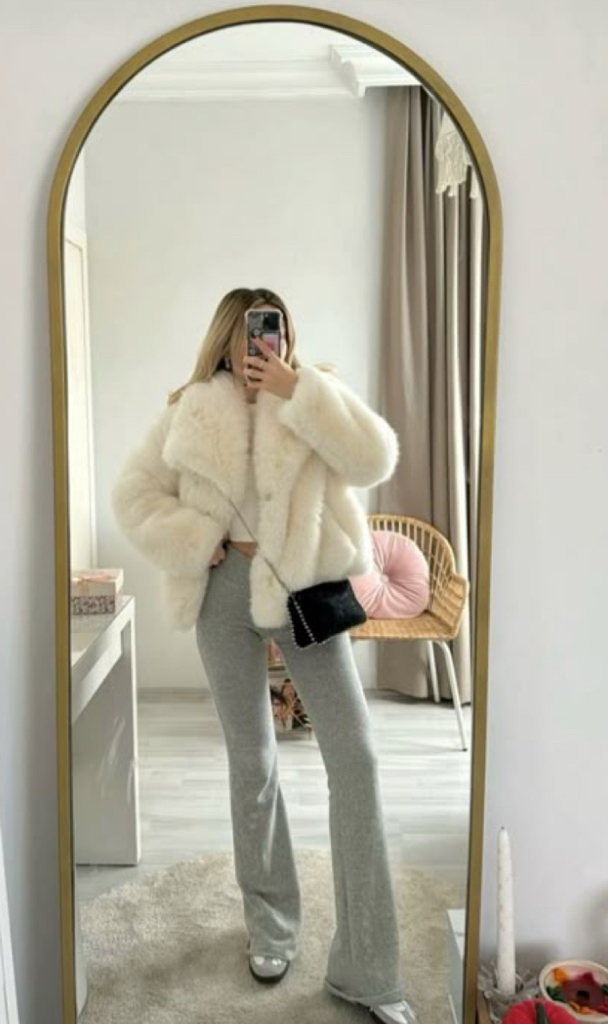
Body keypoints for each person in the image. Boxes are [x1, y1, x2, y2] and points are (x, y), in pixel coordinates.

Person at [111, 287, 416, 1024]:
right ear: (226, 336)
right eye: (250, 331)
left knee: (357, 757)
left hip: (303, 587)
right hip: (222, 594)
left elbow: (376, 456)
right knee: (252, 762)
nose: (261, 343)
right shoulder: (190, 409)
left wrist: (297, 389)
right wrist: (196, 538)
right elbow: (133, 494)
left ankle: (369, 968)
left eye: (272, 329)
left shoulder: (313, 392)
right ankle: (271, 927)